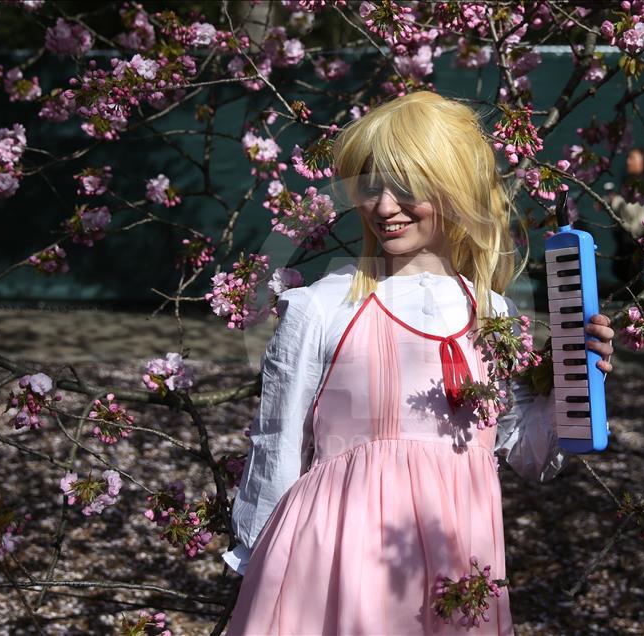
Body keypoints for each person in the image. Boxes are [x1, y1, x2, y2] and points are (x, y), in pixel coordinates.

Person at [223, 90, 615, 635]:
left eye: (406, 187)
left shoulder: (494, 314)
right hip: (338, 562)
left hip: (461, 561)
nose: (384, 207)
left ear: (454, 187)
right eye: (371, 187)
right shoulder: (322, 307)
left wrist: (574, 376)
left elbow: (524, 451)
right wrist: (262, 568)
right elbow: (278, 443)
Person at [608, 146, 644, 288]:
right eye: (628, 158)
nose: (628, 162)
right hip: (624, 244)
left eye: (632, 158)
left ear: (643, 163)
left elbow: (633, 215)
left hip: (634, 244)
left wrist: (615, 202)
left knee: (630, 280)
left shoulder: (643, 188)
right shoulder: (628, 184)